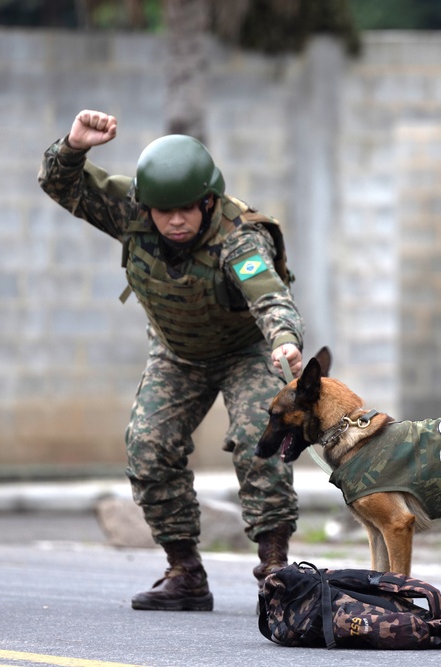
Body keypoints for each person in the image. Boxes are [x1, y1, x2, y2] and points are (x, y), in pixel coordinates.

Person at [38, 109, 305, 612]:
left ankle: (276, 574)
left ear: (208, 200)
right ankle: (184, 572)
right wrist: (74, 146)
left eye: (187, 208)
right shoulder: (131, 210)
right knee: (148, 445)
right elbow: (61, 185)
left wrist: (285, 338)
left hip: (246, 350)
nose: (175, 220)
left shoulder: (239, 236)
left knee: (259, 441)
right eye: (165, 211)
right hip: (178, 351)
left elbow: (269, 296)